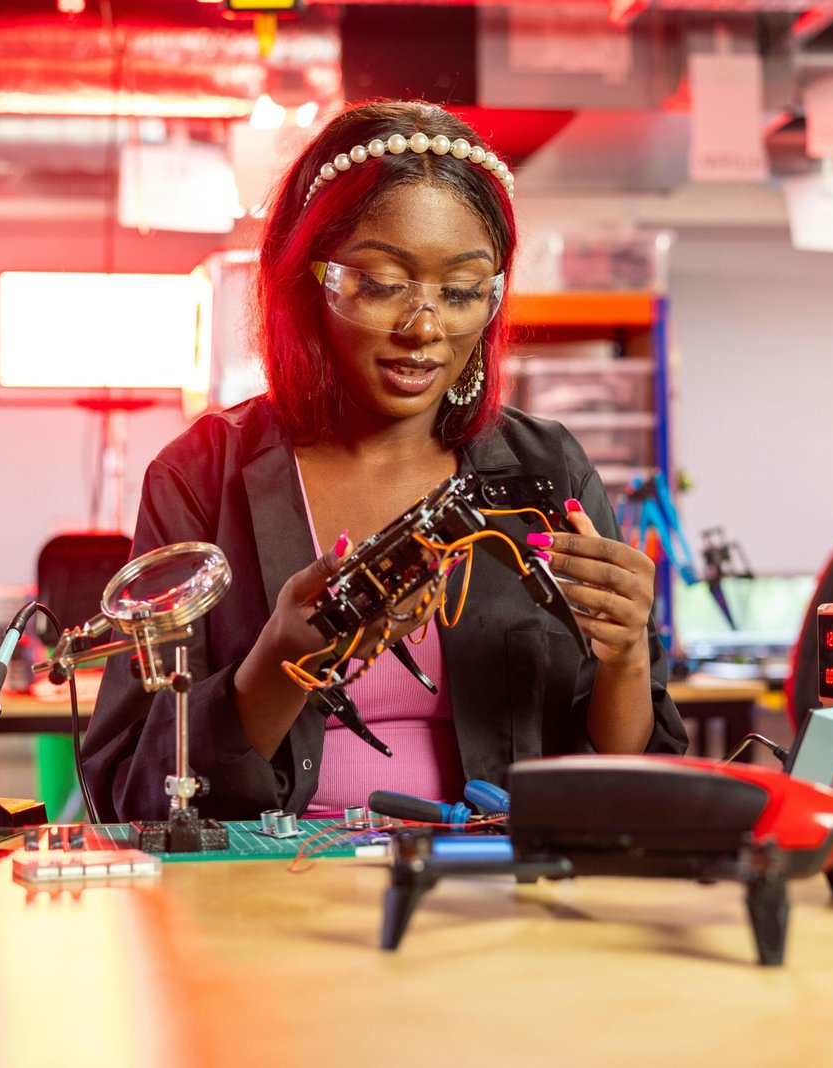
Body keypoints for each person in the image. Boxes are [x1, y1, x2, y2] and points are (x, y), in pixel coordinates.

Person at [82, 100, 687, 822]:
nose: (424, 327)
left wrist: (624, 657)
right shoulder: (201, 477)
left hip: (493, 888)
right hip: (268, 897)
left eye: (462, 292)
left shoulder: (545, 469)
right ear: (310, 281)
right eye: (379, 283)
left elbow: (627, 779)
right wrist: (281, 659)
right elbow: (132, 794)